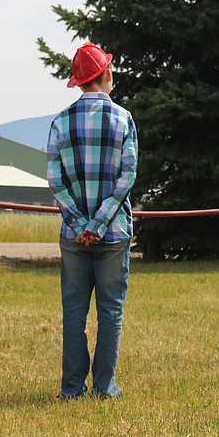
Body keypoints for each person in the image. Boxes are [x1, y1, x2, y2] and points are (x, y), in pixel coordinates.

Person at [47, 42, 138, 399]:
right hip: (113, 233)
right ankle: (105, 387)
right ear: (107, 75)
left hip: (73, 234)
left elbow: (55, 180)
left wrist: (80, 222)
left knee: (74, 312)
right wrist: (99, 224)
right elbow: (127, 177)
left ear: (78, 82)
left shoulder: (60, 121)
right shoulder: (124, 118)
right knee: (110, 312)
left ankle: (71, 389)